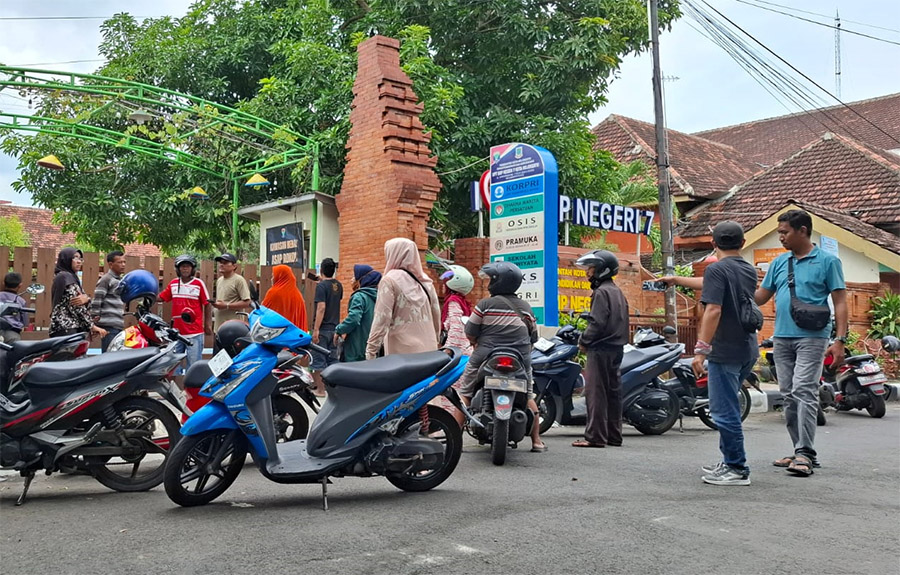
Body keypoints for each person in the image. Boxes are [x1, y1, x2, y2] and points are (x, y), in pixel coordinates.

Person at [663, 222, 759, 486]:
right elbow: (708, 283)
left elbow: (713, 310)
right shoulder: (747, 269)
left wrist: (700, 351)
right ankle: (729, 460)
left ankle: (737, 468)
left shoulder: (717, 268)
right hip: (746, 348)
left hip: (724, 349)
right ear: (743, 242)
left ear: (713, 244)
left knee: (723, 411)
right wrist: (675, 280)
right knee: (726, 407)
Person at [755, 209, 846, 477]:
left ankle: (805, 452)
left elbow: (840, 302)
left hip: (813, 337)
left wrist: (839, 340)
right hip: (782, 338)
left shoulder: (828, 261)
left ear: (803, 231)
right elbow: (761, 296)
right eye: (780, 232)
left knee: (803, 390)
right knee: (788, 394)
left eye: (785, 232)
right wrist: (729, 289)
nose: (781, 237)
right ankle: (799, 449)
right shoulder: (780, 263)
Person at [456, 261, 546, 452]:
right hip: (520, 358)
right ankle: (536, 441)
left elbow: (470, 330)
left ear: (496, 282)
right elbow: (534, 337)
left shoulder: (485, 304)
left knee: (466, 392)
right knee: (529, 394)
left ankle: (455, 438)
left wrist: (474, 341)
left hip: (486, 355)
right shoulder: (526, 308)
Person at [571, 250, 629, 450]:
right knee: (613, 393)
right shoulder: (616, 291)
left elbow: (596, 323)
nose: (588, 272)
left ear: (602, 270)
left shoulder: (601, 292)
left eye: (592, 268)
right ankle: (614, 436)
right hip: (617, 348)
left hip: (601, 348)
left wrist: (584, 341)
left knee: (595, 393)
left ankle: (595, 437)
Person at [365, 238, 440, 359]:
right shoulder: (425, 281)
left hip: (402, 353)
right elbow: (436, 315)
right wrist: (436, 339)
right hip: (429, 350)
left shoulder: (389, 281)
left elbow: (382, 319)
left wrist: (371, 351)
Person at [159, 255, 212, 372]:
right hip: (177, 333)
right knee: (174, 365)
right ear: (178, 269)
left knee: (193, 366)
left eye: (188, 266)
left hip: (194, 333)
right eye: (182, 267)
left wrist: (208, 325)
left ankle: (190, 389)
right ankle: (175, 388)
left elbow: (207, 304)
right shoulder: (173, 284)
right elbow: (162, 297)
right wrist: (147, 295)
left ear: (192, 269)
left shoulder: (198, 284)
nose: (185, 269)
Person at [438, 265, 475, 426]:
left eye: (447, 279)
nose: (443, 282)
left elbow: (456, 328)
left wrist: (449, 351)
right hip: (466, 350)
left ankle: (448, 426)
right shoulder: (462, 301)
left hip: (458, 354)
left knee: (449, 390)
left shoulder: (453, 301)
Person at [49, 248, 106, 340]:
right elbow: (76, 305)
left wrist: (87, 299)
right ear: (66, 259)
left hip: (67, 328)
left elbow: (83, 301)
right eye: (75, 258)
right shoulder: (65, 277)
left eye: (80, 259)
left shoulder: (70, 278)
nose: (79, 262)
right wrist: (91, 326)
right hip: (66, 328)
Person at [334, 264, 381, 362]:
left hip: (355, 349)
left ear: (362, 279)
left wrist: (339, 330)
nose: (352, 279)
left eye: (354, 276)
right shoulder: (379, 296)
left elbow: (354, 318)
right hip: (373, 348)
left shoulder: (359, 297)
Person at [310, 257, 343, 395]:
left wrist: (316, 329)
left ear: (322, 270)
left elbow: (321, 308)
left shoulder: (321, 287)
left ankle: (320, 389)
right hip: (335, 328)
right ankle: (333, 390)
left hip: (323, 329)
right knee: (333, 360)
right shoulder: (339, 285)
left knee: (318, 360)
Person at [90, 250, 127, 352]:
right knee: (108, 356)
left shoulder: (119, 281)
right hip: (108, 326)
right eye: (120, 262)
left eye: (124, 262)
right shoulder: (106, 279)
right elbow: (97, 300)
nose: (123, 265)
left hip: (117, 324)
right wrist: (95, 322)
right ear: (111, 264)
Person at [262, 265, 308, 331]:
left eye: (273, 276)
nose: (271, 279)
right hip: (295, 335)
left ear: (280, 277)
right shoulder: (298, 295)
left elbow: (264, 311)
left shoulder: (273, 293)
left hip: (277, 335)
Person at [211, 253, 252, 330]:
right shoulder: (219, 280)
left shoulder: (239, 280)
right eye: (221, 262)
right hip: (219, 328)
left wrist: (226, 305)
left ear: (234, 266)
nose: (221, 265)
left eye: (225, 263)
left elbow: (247, 302)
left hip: (234, 329)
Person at [0, 272, 27, 343]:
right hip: (13, 332)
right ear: (20, 285)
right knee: (14, 351)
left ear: (3, 283)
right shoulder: (20, 301)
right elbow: (25, 321)